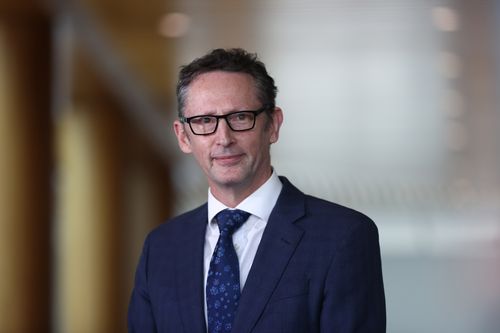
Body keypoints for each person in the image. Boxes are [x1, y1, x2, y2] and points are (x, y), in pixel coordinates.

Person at [128, 48, 386, 333]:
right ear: (183, 136)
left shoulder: (343, 237)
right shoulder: (162, 247)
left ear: (273, 125)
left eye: (240, 117)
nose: (223, 138)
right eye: (204, 121)